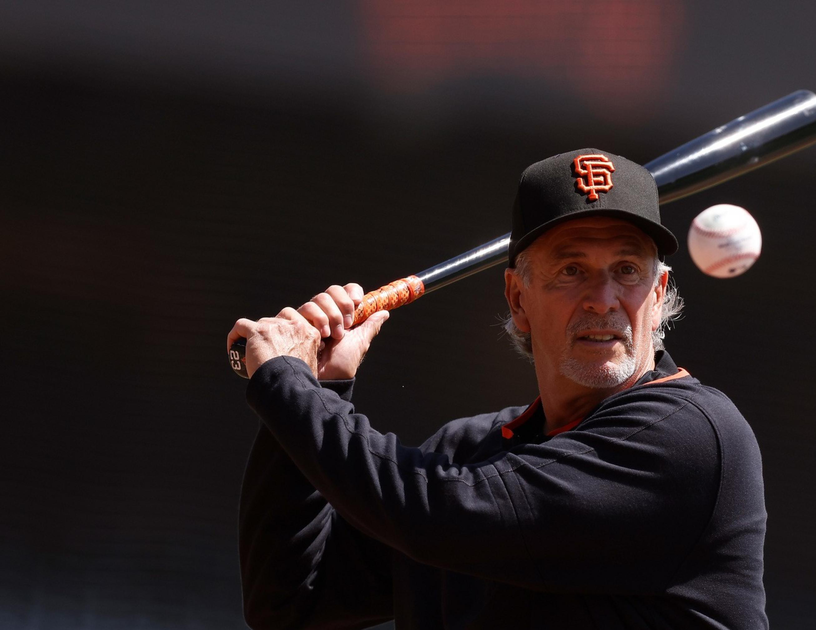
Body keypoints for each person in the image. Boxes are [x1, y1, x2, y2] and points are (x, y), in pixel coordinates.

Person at [228, 149, 768, 629]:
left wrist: (290, 386)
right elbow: (291, 604)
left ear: (658, 292)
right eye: (571, 269)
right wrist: (323, 382)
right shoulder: (468, 453)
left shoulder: (689, 435)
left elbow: (438, 512)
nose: (603, 298)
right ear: (517, 299)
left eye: (626, 269)